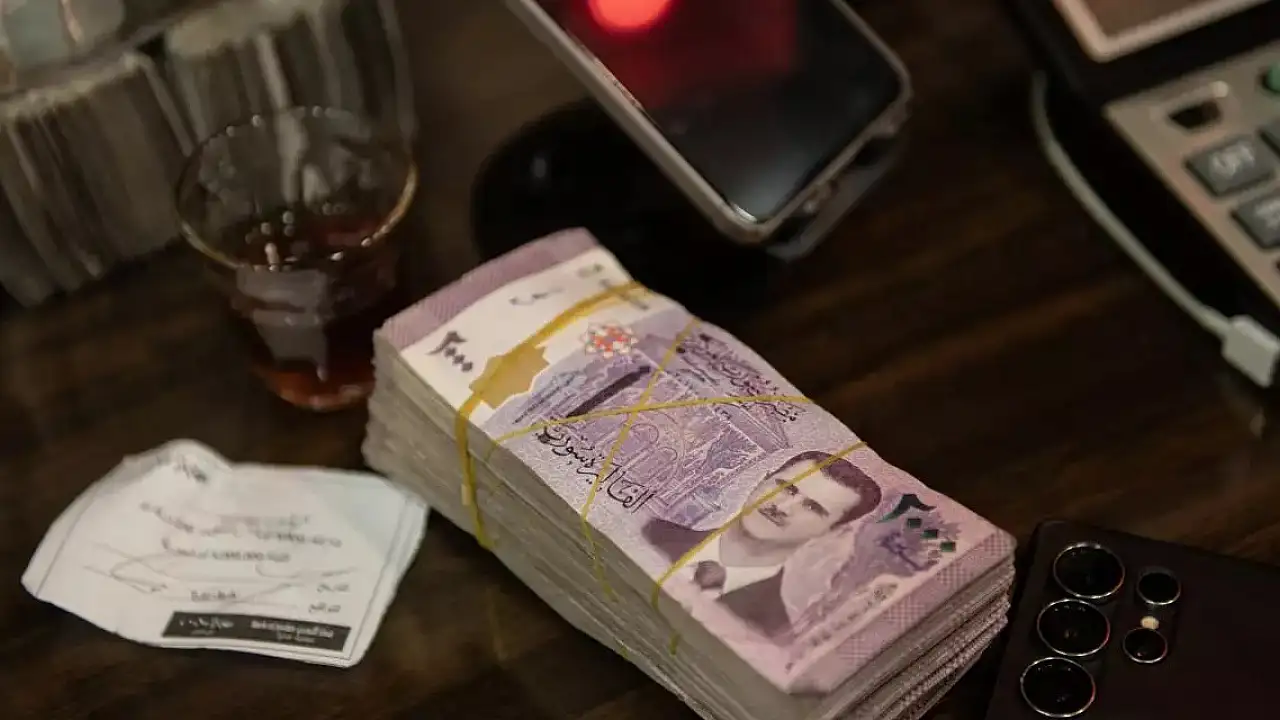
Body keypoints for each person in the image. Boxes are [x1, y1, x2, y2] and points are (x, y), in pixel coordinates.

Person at [642, 450, 882, 638]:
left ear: (831, 531)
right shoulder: (648, 532)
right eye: (786, 488)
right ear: (762, 479)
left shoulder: (768, 632)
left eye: (812, 507)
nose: (781, 507)